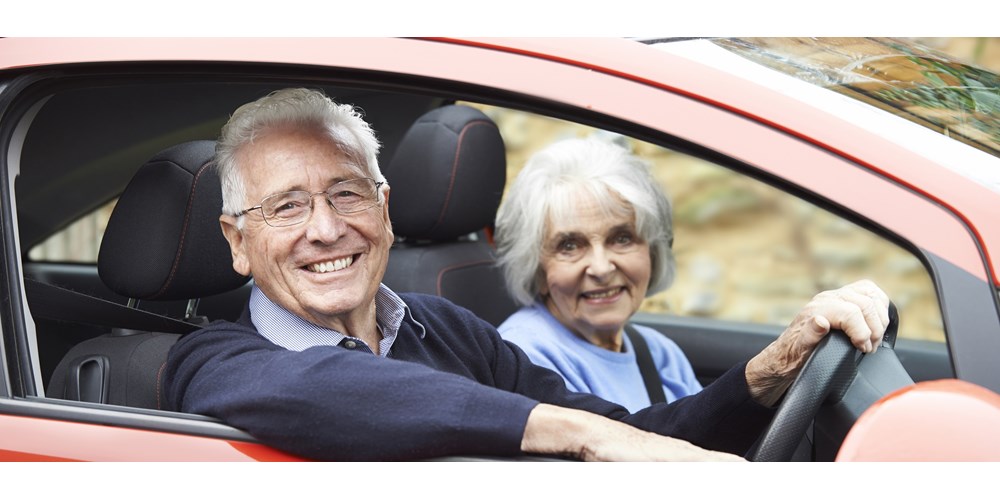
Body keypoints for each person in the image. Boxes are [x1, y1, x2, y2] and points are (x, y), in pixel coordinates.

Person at [161, 88, 892, 462]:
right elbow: (327, 390)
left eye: (347, 193)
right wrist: (577, 436)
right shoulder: (212, 359)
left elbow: (633, 432)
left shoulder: (443, 326)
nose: (326, 228)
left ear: (384, 209)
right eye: (286, 207)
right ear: (237, 241)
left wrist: (772, 369)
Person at [496, 138, 701, 412]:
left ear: (652, 251)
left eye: (622, 238)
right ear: (537, 269)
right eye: (569, 245)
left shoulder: (659, 351)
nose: (602, 268)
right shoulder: (524, 359)